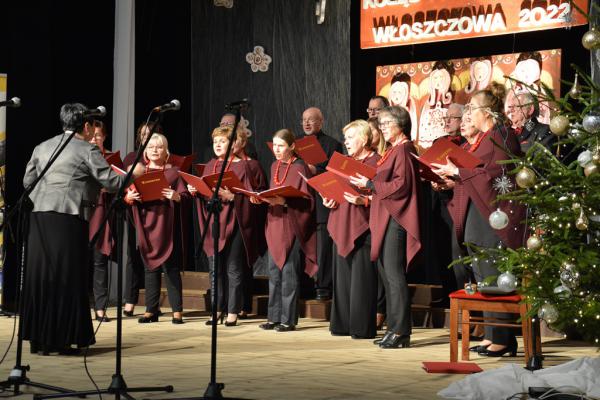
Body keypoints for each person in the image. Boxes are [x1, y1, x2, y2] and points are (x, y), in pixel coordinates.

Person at [431, 84, 526, 357]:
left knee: (495, 275)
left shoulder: (502, 135)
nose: (468, 114)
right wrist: (453, 179)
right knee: (482, 275)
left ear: (488, 112)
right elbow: (476, 174)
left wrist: (459, 171)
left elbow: (496, 176)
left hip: (493, 217)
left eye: (472, 109)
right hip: (477, 216)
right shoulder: (482, 139)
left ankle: (504, 339)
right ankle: (492, 334)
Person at [22, 103, 124, 355]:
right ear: (87, 126)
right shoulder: (86, 148)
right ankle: (64, 339)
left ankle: (40, 339)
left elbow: (27, 181)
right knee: (67, 277)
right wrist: (135, 174)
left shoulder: (42, 146)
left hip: (40, 217)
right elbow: (110, 181)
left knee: (42, 276)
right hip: (68, 217)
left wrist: (46, 199)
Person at [350, 106, 421, 349]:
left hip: (395, 217)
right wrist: (368, 183)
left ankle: (401, 332)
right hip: (385, 215)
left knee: (394, 275)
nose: (383, 127)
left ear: (401, 124)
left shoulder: (404, 149)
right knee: (387, 274)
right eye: (381, 124)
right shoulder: (392, 150)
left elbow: (401, 185)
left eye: (388, 123)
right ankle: (393, 327)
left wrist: (371, 183)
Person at [191, 126, 267, 326]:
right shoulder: (210, 166)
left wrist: (234, 197)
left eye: (222, 141)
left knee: (233, 269)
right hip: (215, 223)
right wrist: (196, 190)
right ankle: (217, 309)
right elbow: (206, 194)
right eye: (215, 141)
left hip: (237, 222)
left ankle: (233, 310)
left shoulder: (247, 166)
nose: (217, 144)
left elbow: (257, 197)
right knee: (215, 269)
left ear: (235, 144)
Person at [125, 133, 189, 324]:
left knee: (171, 268)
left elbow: (185, 197)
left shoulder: (173, 173)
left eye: (159, 147)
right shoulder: (139, 173)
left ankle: (177, 311)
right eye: (151, 147)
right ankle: (151, 310)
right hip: (146, 225)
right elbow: (126, 197)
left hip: (166, 226)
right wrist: (129, 199)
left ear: (166, 151)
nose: (154, 150)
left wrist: (176, 196)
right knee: (149, 267)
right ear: (145, 151)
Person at [258, 129, 317, 332]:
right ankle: (273, 316)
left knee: (289, 274)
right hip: (274, 223)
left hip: (292, 225)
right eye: (274, 145)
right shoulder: (274, 165)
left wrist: (286, 202)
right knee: (274, 273)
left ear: (292, 146)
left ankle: (288, 319)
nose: (276, 149)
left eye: (281, 145)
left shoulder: (300, 167)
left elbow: (308, 200)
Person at [325, 120, 380, 339]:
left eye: (350, 138)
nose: (346, 142)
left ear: (365, 139)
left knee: (361, 279)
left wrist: (364, 201)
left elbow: (385, 196)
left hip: (363, 225)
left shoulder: (376, 161)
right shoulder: (343, 162)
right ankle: (342, 324)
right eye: (345, 138)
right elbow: (334, 188)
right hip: (341, 221)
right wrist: (329, 199)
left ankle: (360, 327)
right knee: (343, 277)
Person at [298, 107, 343, 301]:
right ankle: (304, 285)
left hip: (322, 201)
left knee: (324, 247)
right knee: (303, 244)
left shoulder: (332, 144)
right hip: (301, 202)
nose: (307, 123)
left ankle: (324, 287)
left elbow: (336, 174)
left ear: (321, 122)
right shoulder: (295, 144)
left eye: (311, 120)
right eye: (304, 119)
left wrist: (314, 170)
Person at [122, 122, 163, 317]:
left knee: (153, 259)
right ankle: (129, 301)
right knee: (133, 256)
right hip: (135, 213)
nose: (148, 136)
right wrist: (127, 196)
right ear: (139, 136)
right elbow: (122, 182)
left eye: (152, 133)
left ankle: (152, 305)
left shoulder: (163, 158)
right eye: (145, 134)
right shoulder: (132, 157)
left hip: (156, 216)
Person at [88, 120, 115, 322]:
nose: (94, 139)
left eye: (98, 136)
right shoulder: (83, 155)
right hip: (83, 210)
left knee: (100, 261)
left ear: (104, 137)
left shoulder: (111, 158)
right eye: (91, 136)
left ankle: (100, 307)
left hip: (102, 212)